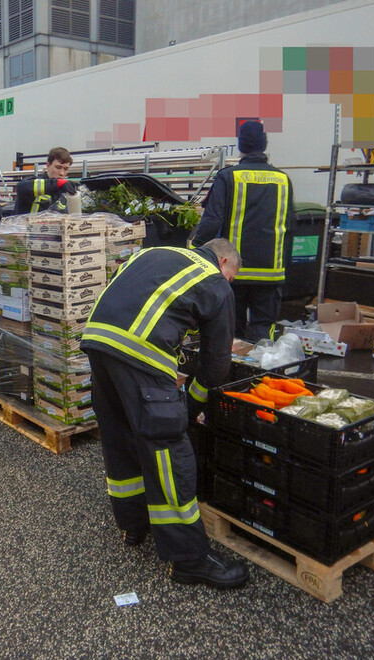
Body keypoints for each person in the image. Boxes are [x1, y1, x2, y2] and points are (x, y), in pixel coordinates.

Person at [79, 238, 249, 589]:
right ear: (223, 261)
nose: (229, 284)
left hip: (98, 342)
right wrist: (191, 406)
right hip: (141, 355)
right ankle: (188, 560)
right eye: (232, 276)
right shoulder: (214, 281)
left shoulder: (157, 253)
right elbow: (217, 364)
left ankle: (133, 526)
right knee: (170, 453)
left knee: (120, 439)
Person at [191, 121, 295, 342]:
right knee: (263, 329)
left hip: (234, 271)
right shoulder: (283, 179)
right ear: (264, 145)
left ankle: (234, 372)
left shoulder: (229, 177)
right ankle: (261, 371)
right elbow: (290, 226)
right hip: (271, 272)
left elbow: (212, 220)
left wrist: (195, 247)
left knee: (231, 327)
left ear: (241, 146)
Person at [13, 146, 77, 214]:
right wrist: (58, 183)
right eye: (58, 167)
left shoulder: (64, 191)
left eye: (66, 169)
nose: (62, 173)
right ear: (48, 165)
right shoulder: (32, 184)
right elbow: (21, 187)